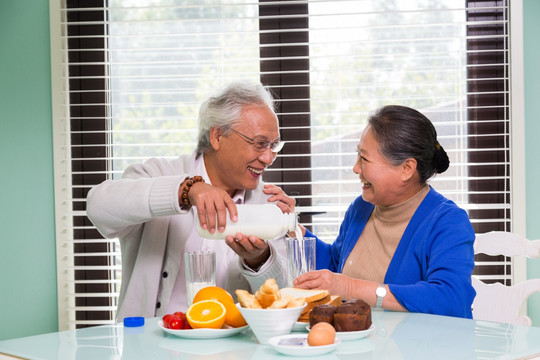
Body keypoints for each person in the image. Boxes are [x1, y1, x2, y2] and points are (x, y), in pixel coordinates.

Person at [86, 81, 295, 320]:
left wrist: (259, 259)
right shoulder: (160, 173)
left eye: (273, 145)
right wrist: (186, 190)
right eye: (259, 144)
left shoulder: (268, 202)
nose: (269, 158)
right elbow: (98, 206)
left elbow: (281, 298)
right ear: (217, 136)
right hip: (151, 349)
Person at [293, 105, 476, 318]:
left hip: (422, 349)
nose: (355, 168)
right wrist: (293, 230)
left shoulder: (447, 221)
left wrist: (351, 288)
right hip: (362, 346)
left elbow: (451, 298)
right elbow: (336, 266)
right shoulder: (361, 208)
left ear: (406, 169)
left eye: (364, 159)